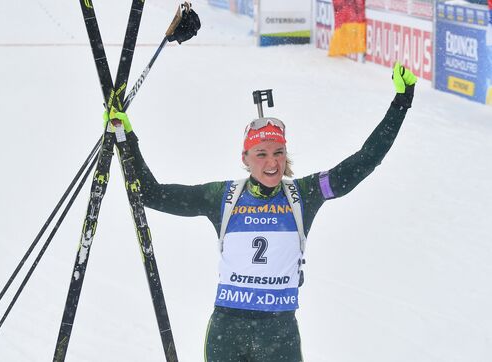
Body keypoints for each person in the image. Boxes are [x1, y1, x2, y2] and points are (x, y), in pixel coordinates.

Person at [107, 63, 417, 362]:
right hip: (227, 332)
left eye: (279, 152)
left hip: (279, 335)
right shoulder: (222, 196)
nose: (272, 163)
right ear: (245, 157)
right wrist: (126, 137)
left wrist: (401, 104)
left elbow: (363, 162)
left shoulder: (303, 195)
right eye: (262, 154)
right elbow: (151, 193)